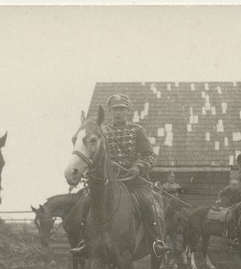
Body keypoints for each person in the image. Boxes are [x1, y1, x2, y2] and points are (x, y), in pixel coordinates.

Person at [70, 94, 170, 257]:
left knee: (147, 202)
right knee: (86, 201)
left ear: (127, 111)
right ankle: (85, 242)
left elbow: (149, 155)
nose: (118, 113)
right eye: (115, 109)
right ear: (110, 111)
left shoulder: (137, 130)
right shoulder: (103, 132)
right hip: (109, 181)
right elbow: (93, 154)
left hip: (134, 181)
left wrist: (137, 167)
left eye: (122, 109)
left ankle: (155, 241)